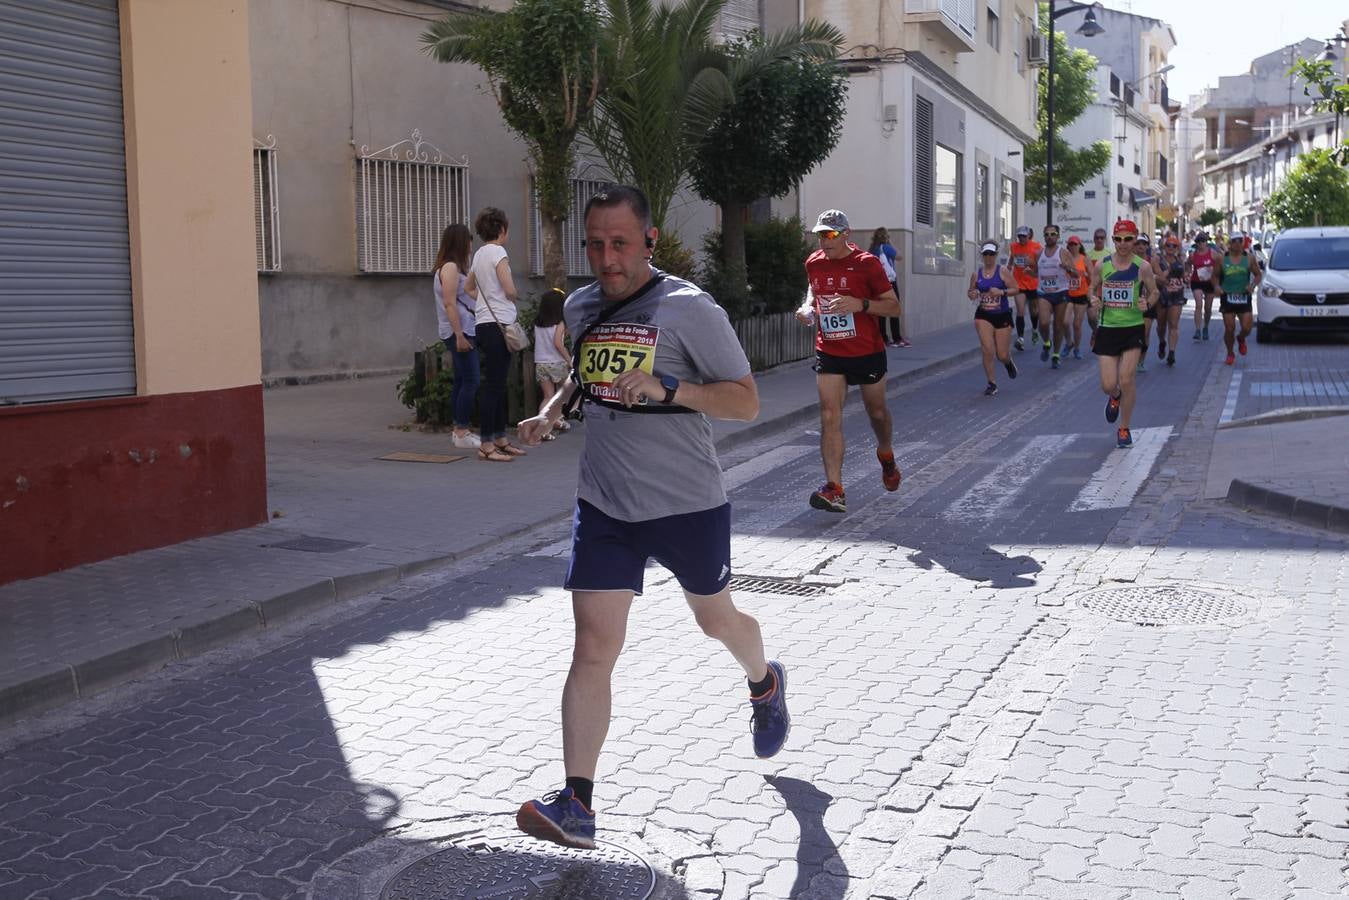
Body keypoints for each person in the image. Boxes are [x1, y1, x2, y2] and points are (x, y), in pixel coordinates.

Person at [513, 185, 788, 850]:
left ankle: (763, 680)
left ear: (650, 241)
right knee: (592, 647)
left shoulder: (689, 311)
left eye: (620, 244)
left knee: (715, 619)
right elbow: (586, 375)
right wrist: (552, 413)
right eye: (596, 244)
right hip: (604, 502)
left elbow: (744, 402)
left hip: (686, 502)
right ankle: (577, 802)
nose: (606, 259)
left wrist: (672, 388)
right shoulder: (580, 307)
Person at [795, 209, 904, 513]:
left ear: (846, 234)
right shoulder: (813, 262)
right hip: (830, 351)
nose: (824, 240)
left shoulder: (866, 264)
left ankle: (886, 455)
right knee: (830, 415)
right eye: (820, 234)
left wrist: (861, 304)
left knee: (877, 414)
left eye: (830, 234)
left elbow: (894, 307)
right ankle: (835, 488)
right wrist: (807, 309)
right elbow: (812, 293)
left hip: (866, 352)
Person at [1089, 219, 1157, 449]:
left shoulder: (1143, 267)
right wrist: (1093, 299)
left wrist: (1147, 303)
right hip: (1108, 328)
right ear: (1113, 240)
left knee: (1127, 379)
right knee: (1108, 384)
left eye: (1128, 239)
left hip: (1132, 328)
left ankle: (1124, 428)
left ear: (1135, 239)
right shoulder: (1102, 265)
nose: (1123, 244)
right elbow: (1091, 288)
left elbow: (1155, 292)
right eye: (1118, 239)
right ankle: (1115, 396)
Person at [469, 206, 527, 462]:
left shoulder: (479, 255)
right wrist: (511, 296)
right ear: (502, 229)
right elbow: (509, 288)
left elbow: (469, 286)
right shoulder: (498, 252)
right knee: (495, 385)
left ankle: (500, 438)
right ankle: (487, 443)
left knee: (496, 383)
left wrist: (483, 300)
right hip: (499, 325)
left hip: (483, 323)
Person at [432, 223, 480, 450]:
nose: (471, 246)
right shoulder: (450, 268)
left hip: (463, 329)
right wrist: (459, 335)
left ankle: (458, 430)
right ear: (460, 242)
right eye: (469, 240)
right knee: (471, 379)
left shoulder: (453, 267)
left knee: (462, 380)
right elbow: (449, 302)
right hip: (460, 331)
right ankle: (461, 431)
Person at [967, 240, 1019, 396]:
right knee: (987, 349)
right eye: (985, 254)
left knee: (1001, 354)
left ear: (996, 255)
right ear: (982, 256)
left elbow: (1016, 289)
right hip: (984, 315)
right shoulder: (976, 274)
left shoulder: (1002, 271)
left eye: (991, 254)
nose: (988, 257)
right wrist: (972, 293)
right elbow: (971, 292)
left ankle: (1008, 362)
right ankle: (991, 383)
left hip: (1002, 314)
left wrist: (1001, 292)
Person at [1214, 232, 1262, 366]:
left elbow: (1258, 275)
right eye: (1234, 241)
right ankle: (1230, 353)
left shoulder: (1250, 258)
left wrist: (1252, 285)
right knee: (1229, 328)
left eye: (1240, 241)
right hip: (1227, 296)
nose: (1237, 243)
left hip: (1243, 296)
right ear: (1229, 243)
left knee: (1247, 327)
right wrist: (1217, 287)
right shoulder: (1222, 259)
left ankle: (1241, 338)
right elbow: (1215, 276)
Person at [532, 287, 571, 440]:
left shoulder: (538, 323)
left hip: (541, 363)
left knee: (548, 396)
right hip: (557, 363)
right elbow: (557, 343)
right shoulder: (559, 323)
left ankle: (543, 428)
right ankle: (557, 420)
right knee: (563, 395)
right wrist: (569, 359)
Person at [1033, 223, 1070, 369]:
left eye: (1053, 234)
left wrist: (1068, 268)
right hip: (1044, 292)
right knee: (1043, 322)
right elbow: (1036, 272)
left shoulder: (1063, 252)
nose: (1050, 237)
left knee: (1058, 326)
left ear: (1058, 236)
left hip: (1060, 291)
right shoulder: (1038, 254)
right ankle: (1047, 342)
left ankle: (1055, 354)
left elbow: (1074, 272)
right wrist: (1028, 271)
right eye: (1047, 234)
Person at [868, 227, 910, 347]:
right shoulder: (886, 247)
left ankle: (883, 337)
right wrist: (890, 243)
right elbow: (899, 256)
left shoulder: (872, 249)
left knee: (881, 310)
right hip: (889, 281)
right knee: (894, 307)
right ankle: (897, 338)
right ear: (886, 237)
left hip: (877, 282)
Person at [1152, 235, 1187, 367]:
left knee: (1173, 324)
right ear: (1164, 247)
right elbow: (1159, 277)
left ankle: (1171, 353)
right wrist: (1169, 269)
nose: (1171, 248)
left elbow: (1183, 276)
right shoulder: (1157, 259)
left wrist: (1186, 277)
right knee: (1161, 326)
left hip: (1177, 295)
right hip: (1162, 295)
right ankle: (1162, 342)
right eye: (1168, 246)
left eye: (1174, 246)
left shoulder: (1180, 260)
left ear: (1177, 248)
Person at [1008, 225, 1042, 350]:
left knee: (1034, 310)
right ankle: (1020, 338)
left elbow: (1041, 263)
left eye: (1024, 236)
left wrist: (1031, 263)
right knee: (1020, 310)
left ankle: (1034, 329)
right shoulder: (1013, 246)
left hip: (1033, 283)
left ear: (1029, 236)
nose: (1021, 238)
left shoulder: (1036, 247)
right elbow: (1012, 258)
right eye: (1019, 236)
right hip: (1019, 283)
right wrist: (1008, 268)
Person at [1064, 234, 1092, 360]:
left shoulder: (1084, 259)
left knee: (1077, 324)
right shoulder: (1064, 259)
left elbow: (1092, 276)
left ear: (1080, 245)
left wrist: (1086, 275)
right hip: (1068, 294)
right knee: (1065, 322)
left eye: (1075, 244)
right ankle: (1069, 343)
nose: (1073, 246)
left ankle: (1077, 348)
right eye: (1071, 244)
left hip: (1081, 294)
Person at [1186, 232, 1218, 341]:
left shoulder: (1213, 253)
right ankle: (1197, 330)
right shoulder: (1193, 254)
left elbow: (1221, 263)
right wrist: (1188, 273)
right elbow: (1188, 264)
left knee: (1208, 308)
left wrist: (1214, 270)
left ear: (1207, 242)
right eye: (1199, 242)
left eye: (1203, 241)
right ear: (1196, 243)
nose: (1201, 244)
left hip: (1209, 282)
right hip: (1197, 281)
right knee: (1198, 304)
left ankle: (1206, 327)